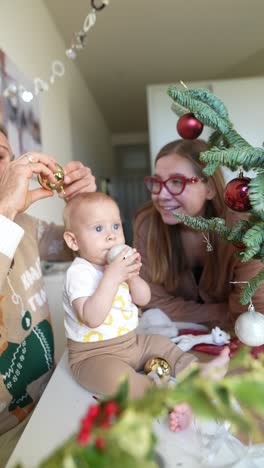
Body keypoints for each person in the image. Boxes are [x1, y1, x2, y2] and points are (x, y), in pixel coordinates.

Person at [62, 192, 230, 412]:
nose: (111, 236)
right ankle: (167, 398)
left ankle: (198, 373)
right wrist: (112, 277)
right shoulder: (79, 273)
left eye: (116, 226)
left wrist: (132, 277)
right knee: (121, 380)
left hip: (131, 344)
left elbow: (144, 299)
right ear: (73, 240)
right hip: (93, 356)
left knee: (161, 343)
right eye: (98, 229)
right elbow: (92, 318)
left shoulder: (119, 268)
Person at [0, 124, 96, 466]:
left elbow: (88, 249)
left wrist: (83, 205)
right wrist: (4, 214)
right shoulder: (10, 219)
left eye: (1, 157)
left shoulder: (25, 223)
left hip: (53, 397)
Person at [133, 139, 264, 329]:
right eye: (157, 182)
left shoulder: (245, 230)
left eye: (177, 182)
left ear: (209, 187)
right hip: (177, 342)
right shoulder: (147, 224)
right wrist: (223, 311)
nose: (161, 195)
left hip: (240, 343)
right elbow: (150, 301)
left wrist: (180, 312)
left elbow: (253, 313)